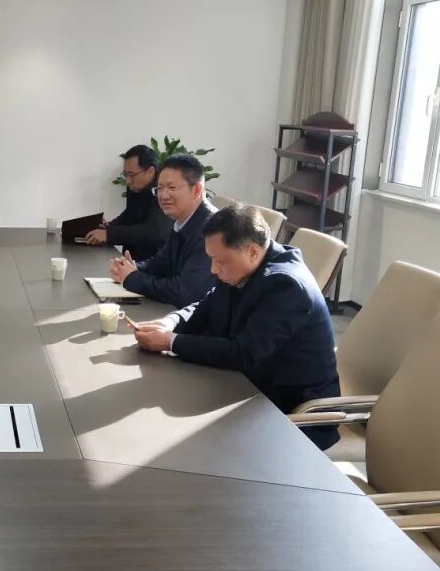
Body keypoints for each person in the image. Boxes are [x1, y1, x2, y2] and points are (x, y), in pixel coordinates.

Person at [132, 205, 340, 449]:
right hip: (246, 389)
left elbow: (243, 353)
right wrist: (171, 322)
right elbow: (207, 304)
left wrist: (170, 341)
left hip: (291, 412)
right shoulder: (241, 267)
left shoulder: (286, 285)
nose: (213, 269)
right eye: (211, 259)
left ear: (252, 251)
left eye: (219, 261)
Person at [108, 153, 217, 306]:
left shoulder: (212, 229)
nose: (163, 196)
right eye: (160, 188)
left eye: (172, 187)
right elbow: (160, 263)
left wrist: (133, 278)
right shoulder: (182, 219)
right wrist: (132, 267)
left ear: (197, 190)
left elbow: (185, 293)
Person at [84, 144, 171, 261]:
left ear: (150, 171)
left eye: (132, 175)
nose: (128, 181)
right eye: (125, 175)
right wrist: (109, 226)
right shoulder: (135, 186)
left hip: (156, 262)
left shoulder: (164, 192)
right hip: (132, 260)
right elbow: (130, 214)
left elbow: (154, 232)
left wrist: (109, 234)